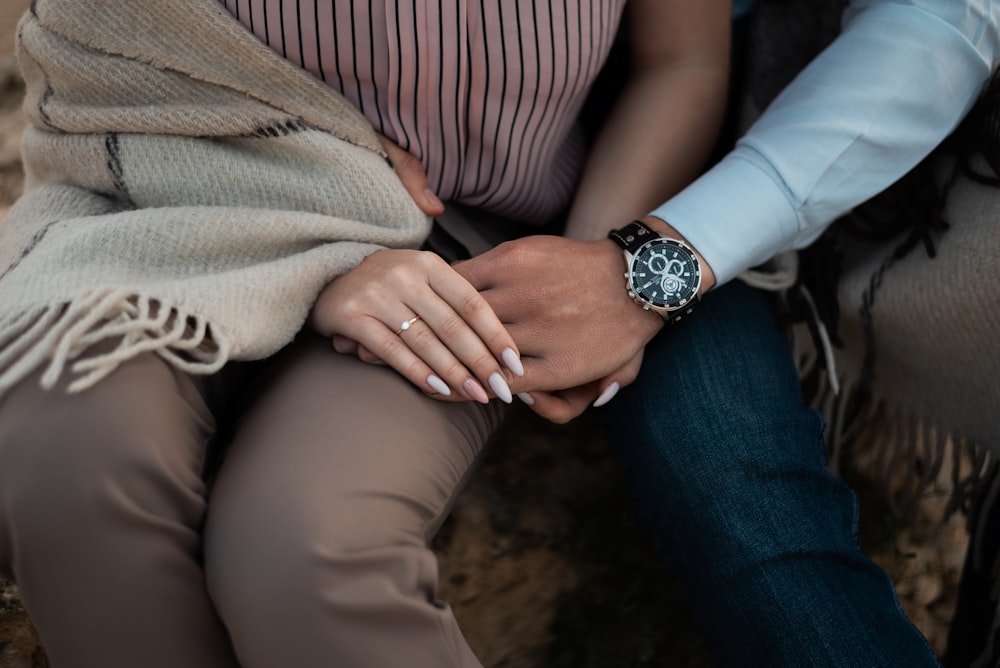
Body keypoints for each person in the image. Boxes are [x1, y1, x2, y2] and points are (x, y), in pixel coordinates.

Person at [0, 0, 730, 666]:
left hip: (469, 250)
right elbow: (103, 32)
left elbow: (682, 61)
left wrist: (593, 276)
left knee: (305, 550)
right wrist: (334, 218)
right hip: (183, 193)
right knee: (68, 466)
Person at [402, 0, 995, 665]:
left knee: (739, 489)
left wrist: (631, 275)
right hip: (445, 120)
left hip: (731, 106)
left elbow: (946, 24)